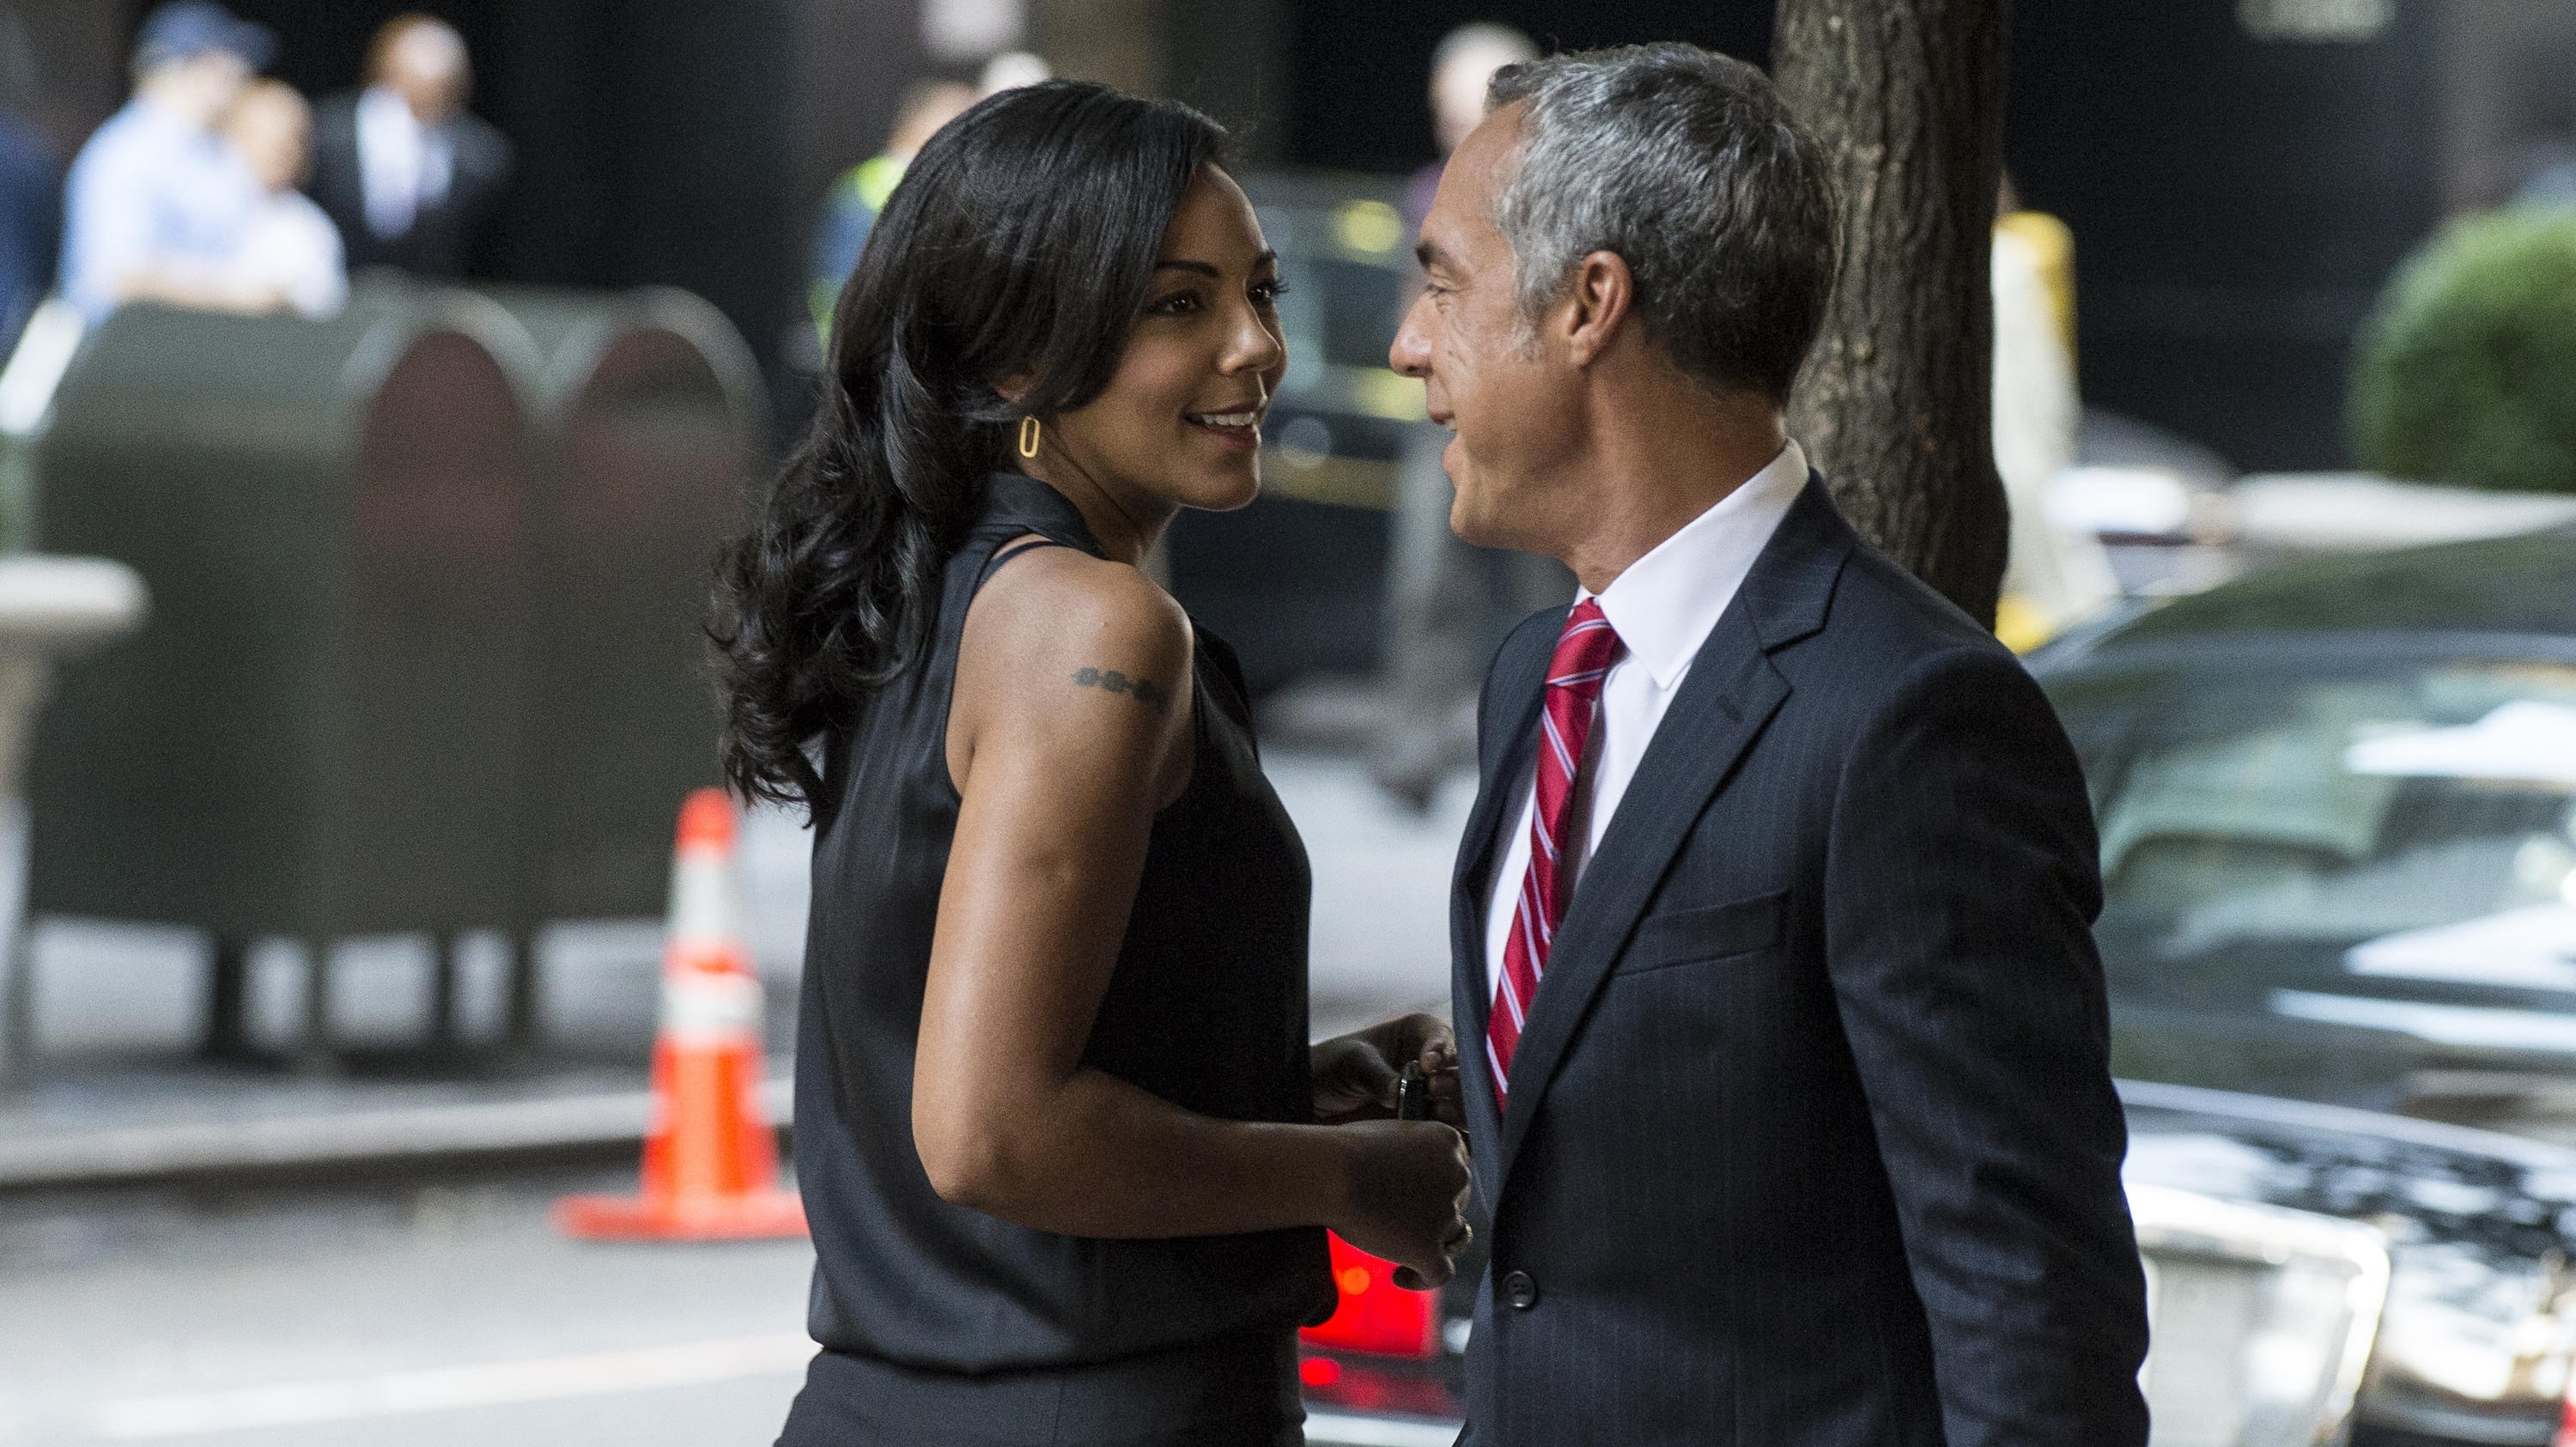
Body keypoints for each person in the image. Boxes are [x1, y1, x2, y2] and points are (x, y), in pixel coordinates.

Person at [1393, 44, 2151, 1444]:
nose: (1409, 342)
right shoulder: (1530, 680)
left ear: (1589, 305)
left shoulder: (1911, 717)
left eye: (1443, 283)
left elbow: (2034, 1322)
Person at [713, 81, 1471, 1446]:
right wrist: (1351, 1179)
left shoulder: (948, 601)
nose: (1257, 347)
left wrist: (1284, 1086)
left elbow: (997, 1075)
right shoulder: (1091, 628)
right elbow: (991, 1132)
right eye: (1178, 304)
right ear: (1015, 358)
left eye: (1260, 292)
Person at [1371, 21, 1563, 812]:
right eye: (1445, 115)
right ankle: (1413, 750)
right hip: (1441, 425)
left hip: (1531, 416)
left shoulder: (1551, 199)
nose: (1454, 133)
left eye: (1469, 117)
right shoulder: (1426, 191)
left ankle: (1559, 744)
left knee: (1548, 588)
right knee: (1425, 587)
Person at [58, 2, 273, 323]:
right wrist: (234, 293)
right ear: (178, 65)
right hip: (121, 346)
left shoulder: (213, 152)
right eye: (218, 59)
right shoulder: (127, 151)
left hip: (195, 342)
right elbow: (116, 278)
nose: (239, 72)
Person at [307, 15, 512, 280]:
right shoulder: (324, 134)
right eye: (411, 93)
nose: (421, 112)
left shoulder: (480, 158)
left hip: (433, 295)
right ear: (382, 76)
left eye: (439, 96)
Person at [806, 78, 975, 342]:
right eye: (958, 116)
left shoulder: (860, 182)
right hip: (880, 346)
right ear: (916, 123)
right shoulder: (918, 186)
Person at [220, 80, 344, 319]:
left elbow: (319, 307)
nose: (284, 150)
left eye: (295, 141)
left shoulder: (308, 227)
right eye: (266, 136)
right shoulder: (193, 200)